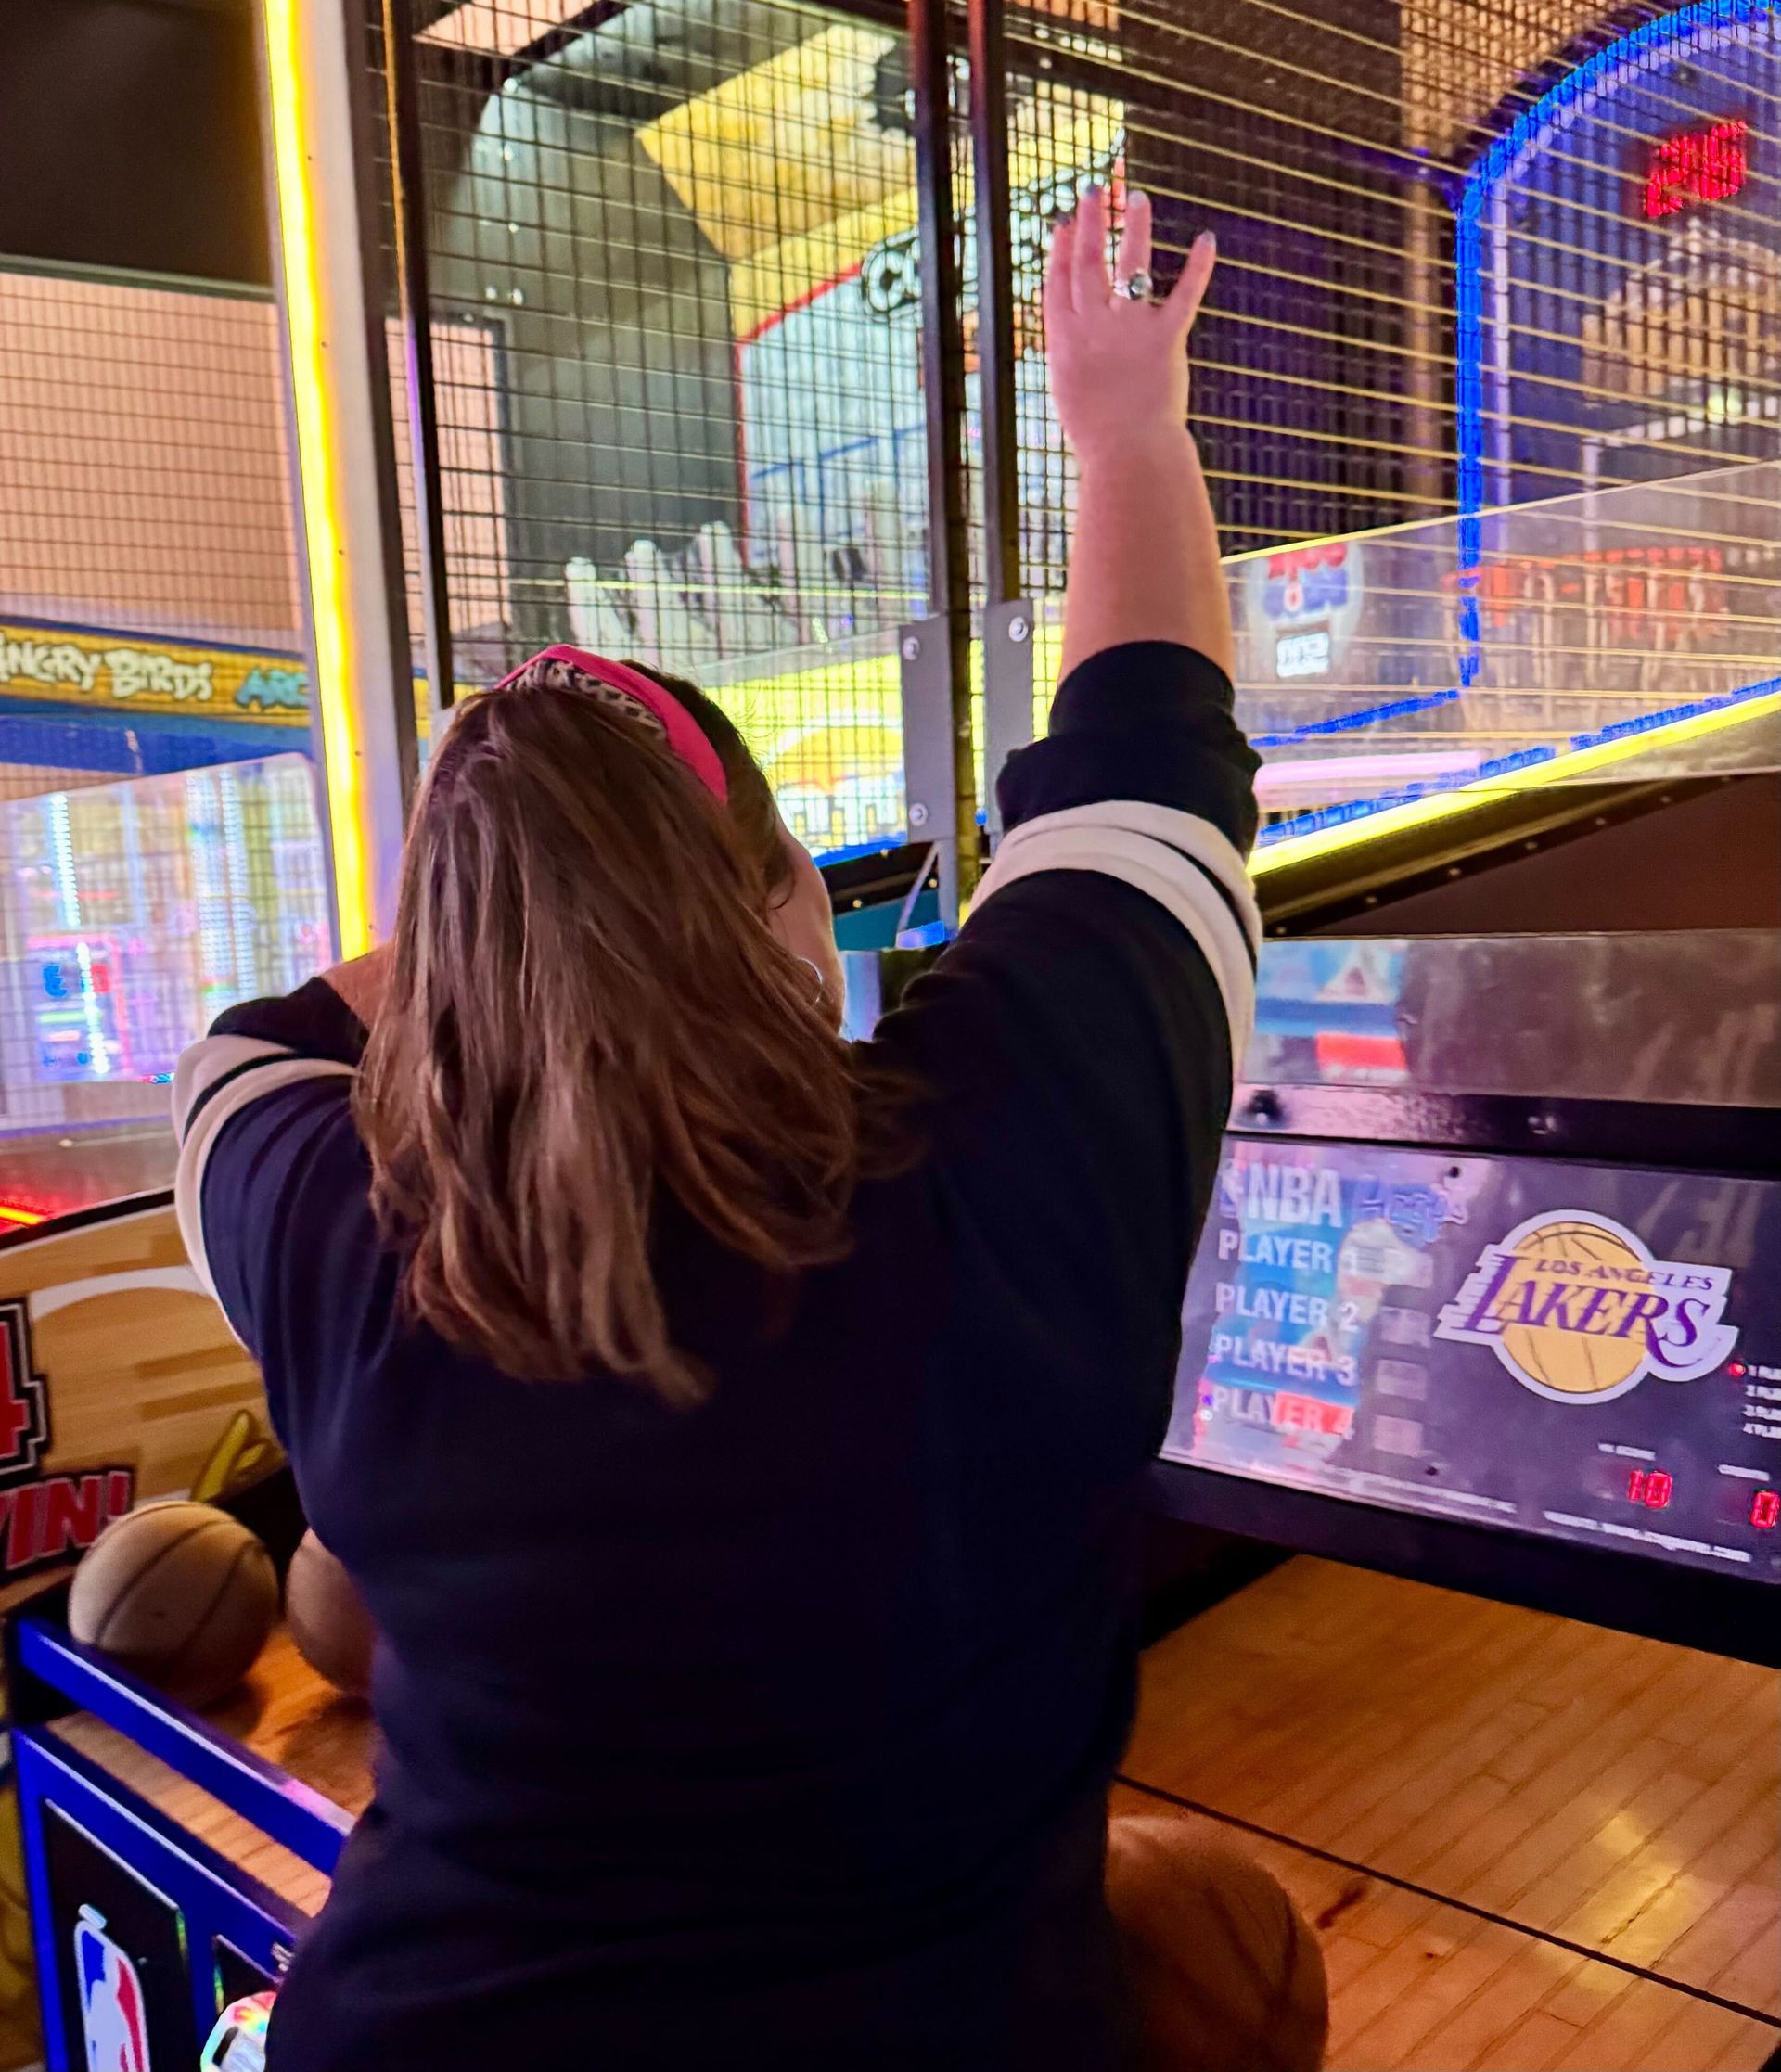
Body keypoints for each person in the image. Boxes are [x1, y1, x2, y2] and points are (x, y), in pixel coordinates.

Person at [173, 187, 1326, 2071]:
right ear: (790, 910)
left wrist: (516, 910)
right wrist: (1126, 424)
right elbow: (1149, 767)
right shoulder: (994, 1159)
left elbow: (242, 1061)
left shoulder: (355, 1252)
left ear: (446, 971)